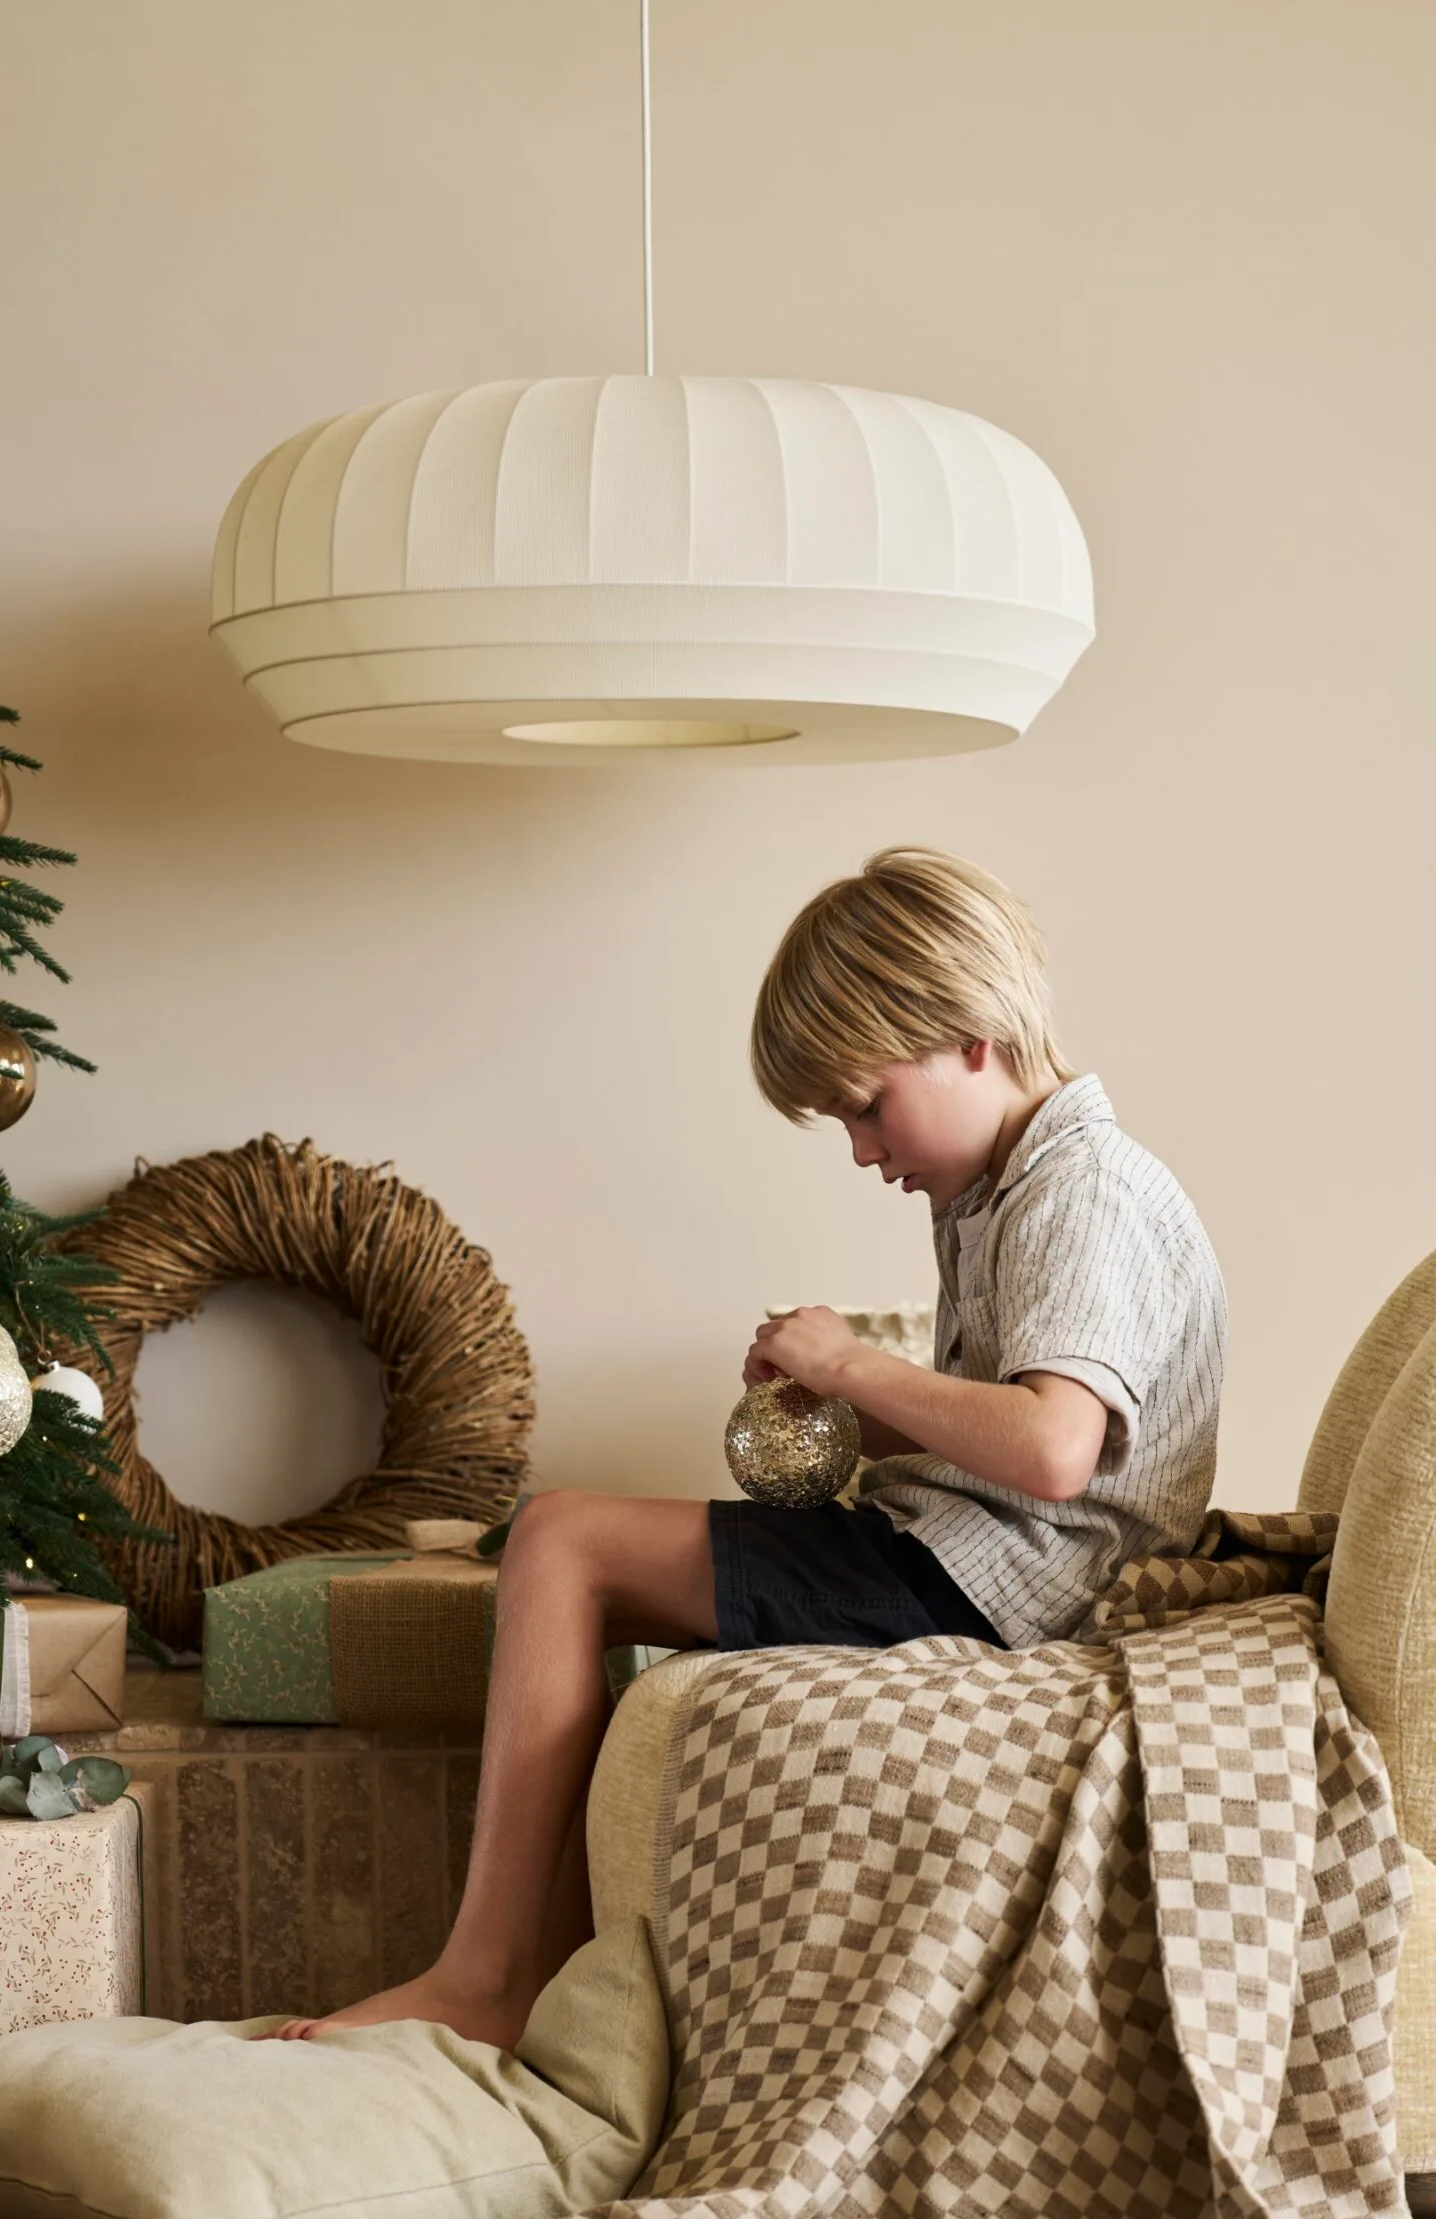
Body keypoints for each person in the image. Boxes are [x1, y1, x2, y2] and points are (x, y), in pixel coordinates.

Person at [271, 845, 1227, 2050]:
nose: (864, 1150)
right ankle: (540, 1970)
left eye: (868, 1104)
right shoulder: (1001, 1186)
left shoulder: (1081, 1190)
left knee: (564, 1542)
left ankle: (490, 1977)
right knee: (573, 1545)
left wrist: (849, 1364)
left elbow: (1050, 1449)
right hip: (966, 1553)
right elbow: (1012, 1423)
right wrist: (838, 1413)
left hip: (1002, 1590)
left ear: (971, 1036)